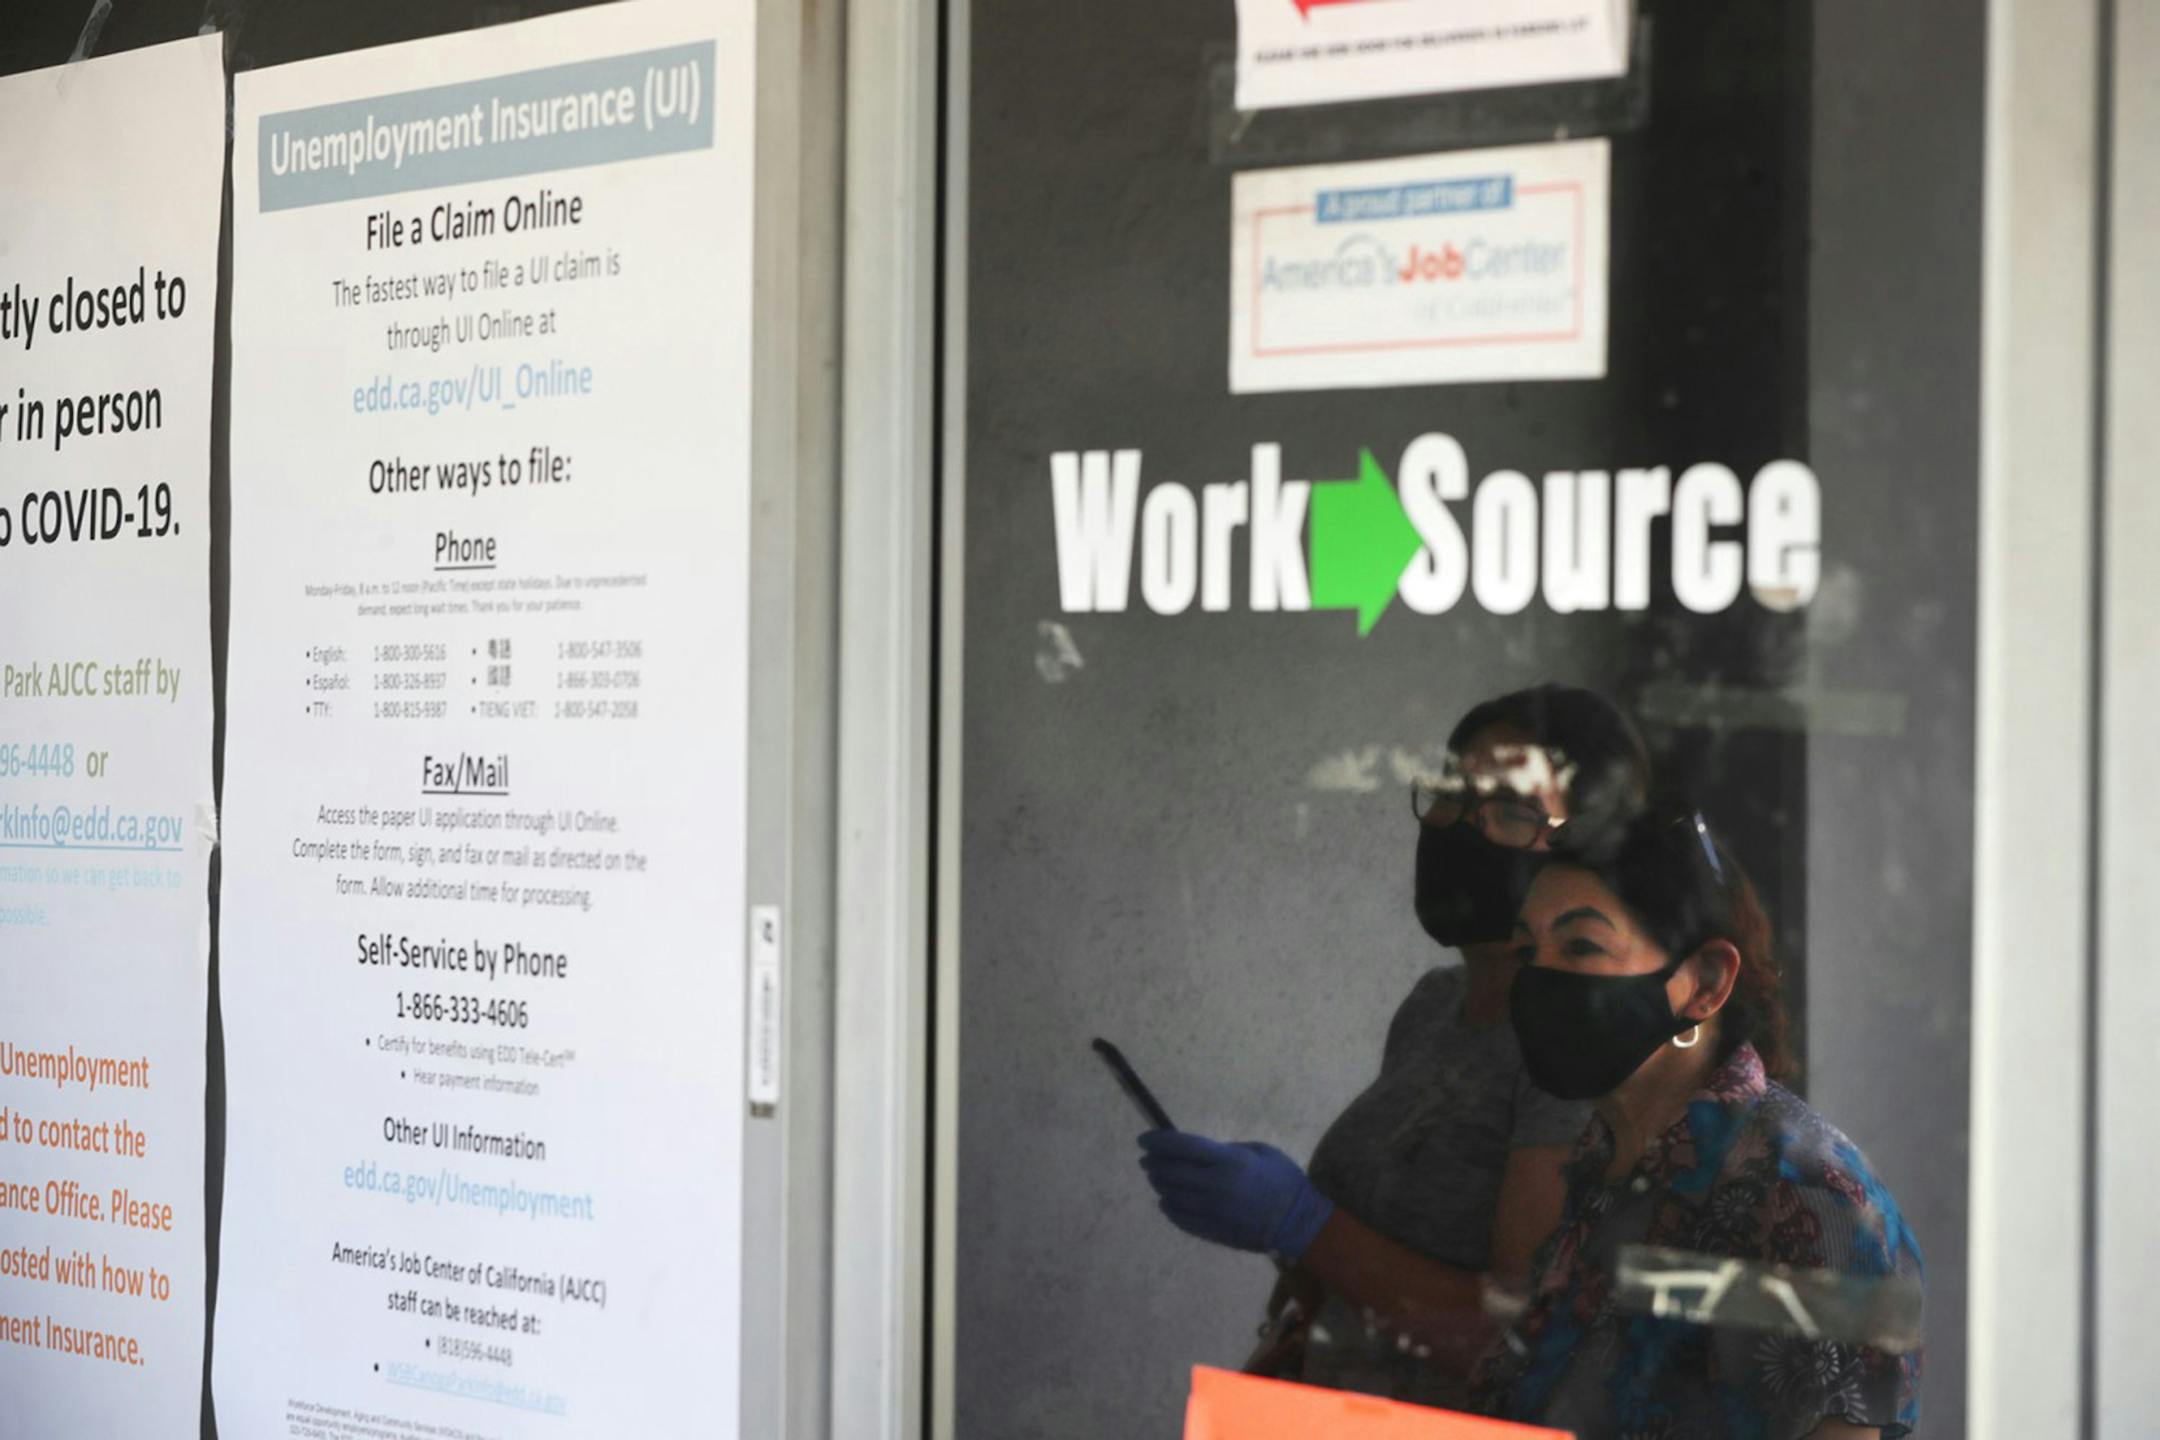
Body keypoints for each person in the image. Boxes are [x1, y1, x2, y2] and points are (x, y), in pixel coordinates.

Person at [1135, 685, 1648, 1408]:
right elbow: (1371, 1246)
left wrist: (1300, 1222)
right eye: (1449, 793)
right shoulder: (1434, 1006)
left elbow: (1521, 1339)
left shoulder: (1571, 1047)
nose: (1458, 826)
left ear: (1588, 846)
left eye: (1507, 811)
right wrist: (1290, 1254)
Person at [1479, 808, 1923, 1439]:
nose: (1539, 976)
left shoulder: (1805, 1196)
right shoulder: (1610, 1156)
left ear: (1707, 982)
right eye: (1529, 950)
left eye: (1581, 945)